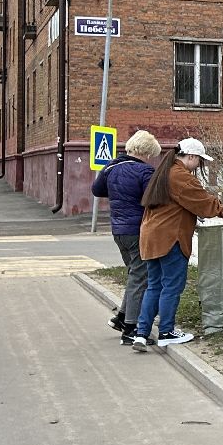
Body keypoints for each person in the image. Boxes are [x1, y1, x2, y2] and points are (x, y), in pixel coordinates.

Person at [132, 137, 223, 351]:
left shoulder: (164, 172)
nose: (199, 166)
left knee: (154, 285)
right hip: (169, 238)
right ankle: (166, 332)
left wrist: (192, 215)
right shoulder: (180, 176)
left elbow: (175, 204)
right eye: (199, 161)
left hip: (150, 236)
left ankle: (141, 334)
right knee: (172, 286)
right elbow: (204, 201)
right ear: (190, 157)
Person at [91, 130, 161, 346]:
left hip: (118, 230)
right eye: (152, 155)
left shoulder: (111, 167)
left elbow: (97, 190)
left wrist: (119, 193)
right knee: (141, 277)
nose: (152, 159)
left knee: (134, 274)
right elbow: (155, 200)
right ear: (147, 152)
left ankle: (121, 317)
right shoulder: (145, 172)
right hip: (138, 229)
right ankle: (131, 328)